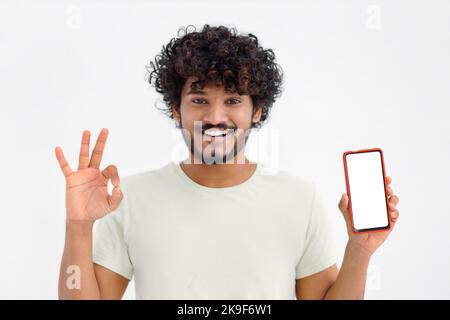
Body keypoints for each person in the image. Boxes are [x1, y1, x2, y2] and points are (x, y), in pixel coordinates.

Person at [55, 24, 400, 300]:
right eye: (200, 99)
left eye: (233, 99)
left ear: (257, 110)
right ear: (177, 108)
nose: (216, 116)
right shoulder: (129, 198)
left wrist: (359, 250)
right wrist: (78, 225)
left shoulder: (300, 198)